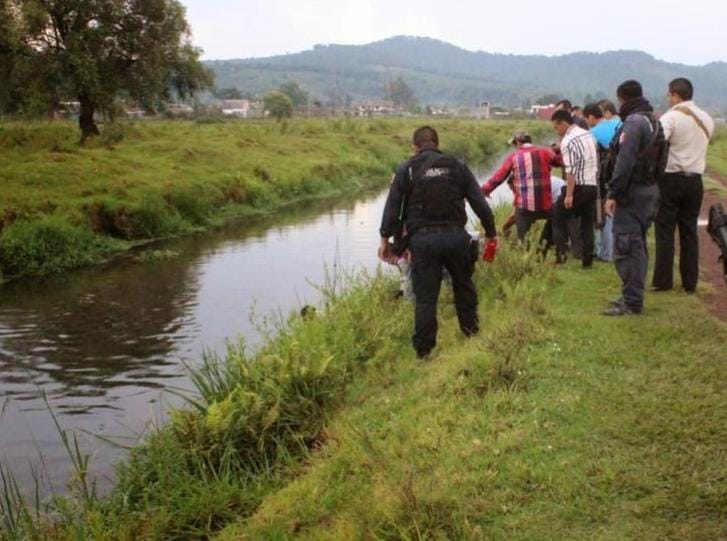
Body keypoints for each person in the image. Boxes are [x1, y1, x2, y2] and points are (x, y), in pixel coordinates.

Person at [378, 126, 497, 358]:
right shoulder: (458, 166)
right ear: (437, 142)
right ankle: (471, 331)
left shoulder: (406, 169)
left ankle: (424, 351)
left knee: (426, 298)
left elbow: (392, 207)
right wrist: (492, 233)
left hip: (423, 242)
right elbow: (479, 202)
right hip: (456, 238)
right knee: (463, 285)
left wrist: (385, 238)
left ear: (415, 146)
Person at [603, 80, 663, 316]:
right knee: (637, 246)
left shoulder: (633, 123)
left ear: (622, 99)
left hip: (632, 194)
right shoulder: (653, 120)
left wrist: (613, 193)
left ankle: (632, 302)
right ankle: (630, 296)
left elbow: (624, 162)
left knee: (627, 247)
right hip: (650, 190)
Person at [651, 77, 715, 293]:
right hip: (695, 180)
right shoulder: (707, 118)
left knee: (665, 229)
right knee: (689, 231)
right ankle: (690, 282)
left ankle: (663, 281)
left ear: (676, 95)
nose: (668, 98)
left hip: (672, 178)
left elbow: (658, 141)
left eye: (669, 95)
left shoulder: (671, 117)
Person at [482, 130, 562, 240]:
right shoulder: (545, 152)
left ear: (518, 143)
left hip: (524, 207)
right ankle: (554, 246)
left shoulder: (513, 157)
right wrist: (557, 150)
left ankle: (524, 247)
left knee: (523, 231)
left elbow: (499, 177)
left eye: (515, 144)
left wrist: (484, 191)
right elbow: (561, 162)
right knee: (557, 219)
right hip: (545, 205)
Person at [551, 109, 599, 267]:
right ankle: (587, 261)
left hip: (578, 185)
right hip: (592, 185)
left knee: (557, 217)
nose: (556, 130)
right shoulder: (588, 134)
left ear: (563, 124)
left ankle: (561, 256)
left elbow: (570, 171)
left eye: (556, 127)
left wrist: (569, 195)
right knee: (587, 223)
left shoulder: (567, 141)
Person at [583, 102, 623, 262]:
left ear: (591, 117)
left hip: (606, 177)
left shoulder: (593, 132)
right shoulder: (619, 123)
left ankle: (607, 253)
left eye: (587, 119)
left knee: (605, 213)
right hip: (625, 174)